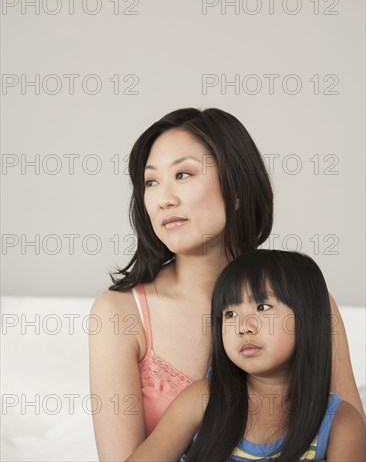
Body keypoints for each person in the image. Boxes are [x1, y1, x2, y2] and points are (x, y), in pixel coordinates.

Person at [89, 108, 363, 461]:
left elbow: (351, 431)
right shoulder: (119, 314)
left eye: (183, 174)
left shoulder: (308, 299)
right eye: (150, 182)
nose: (163, 198)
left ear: (236, 189)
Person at [126, 250, 366, 462]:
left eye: (262, 307)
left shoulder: (340, 422)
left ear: (308, 318)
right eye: (230, 313)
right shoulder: (203, 399)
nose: (243, 326)